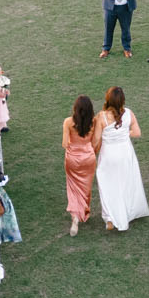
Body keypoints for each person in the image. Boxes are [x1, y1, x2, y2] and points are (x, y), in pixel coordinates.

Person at [91, 87, 149, 232]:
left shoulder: (101, 116)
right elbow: (137, 133)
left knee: (107, 186)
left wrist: (91, 152)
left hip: (109, 155)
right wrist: (123, 133)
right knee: (126, 183)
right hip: (125, 153)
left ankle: (110, 218)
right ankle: (127, 213)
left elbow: (96, 139)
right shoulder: (129, 113)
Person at [62, 95, 99, 234]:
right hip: (88, 157)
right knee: (85, 187)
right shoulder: (94, 122)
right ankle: (83, 212)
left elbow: (65, 144)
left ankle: (75, 218)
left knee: (73, 188)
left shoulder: (68, 122)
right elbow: (95, 142)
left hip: (72, 158)